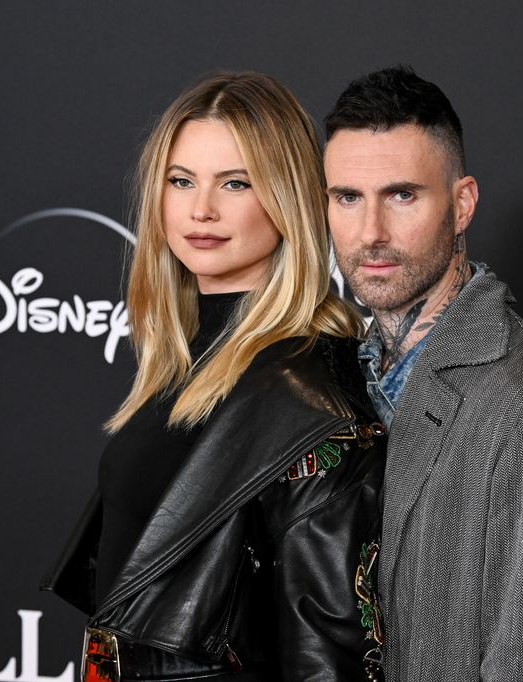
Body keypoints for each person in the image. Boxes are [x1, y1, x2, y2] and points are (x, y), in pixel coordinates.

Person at [42, 72, 386, 681]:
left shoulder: (312, 399)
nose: (201, 209)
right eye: (181, 181)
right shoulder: (185, 356)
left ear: (288, 197)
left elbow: (327, 656)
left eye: (235, 183)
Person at [323, 65, 523, 681]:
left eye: (402, 195)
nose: (370, 233)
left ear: (462, 204)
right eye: (348, 197)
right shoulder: (338, 377)